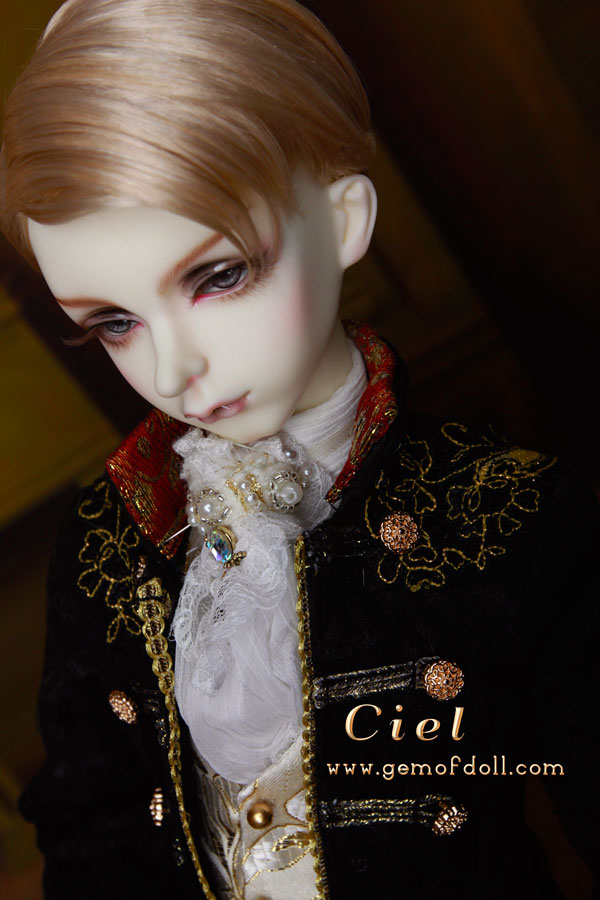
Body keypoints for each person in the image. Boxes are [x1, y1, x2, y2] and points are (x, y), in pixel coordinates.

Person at [1, 1, 598, 898]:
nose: (174, 369)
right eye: (115, 323)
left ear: (345, 217)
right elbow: (92, 827)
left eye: (220, 276)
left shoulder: (505, 515)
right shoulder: (106, 545)